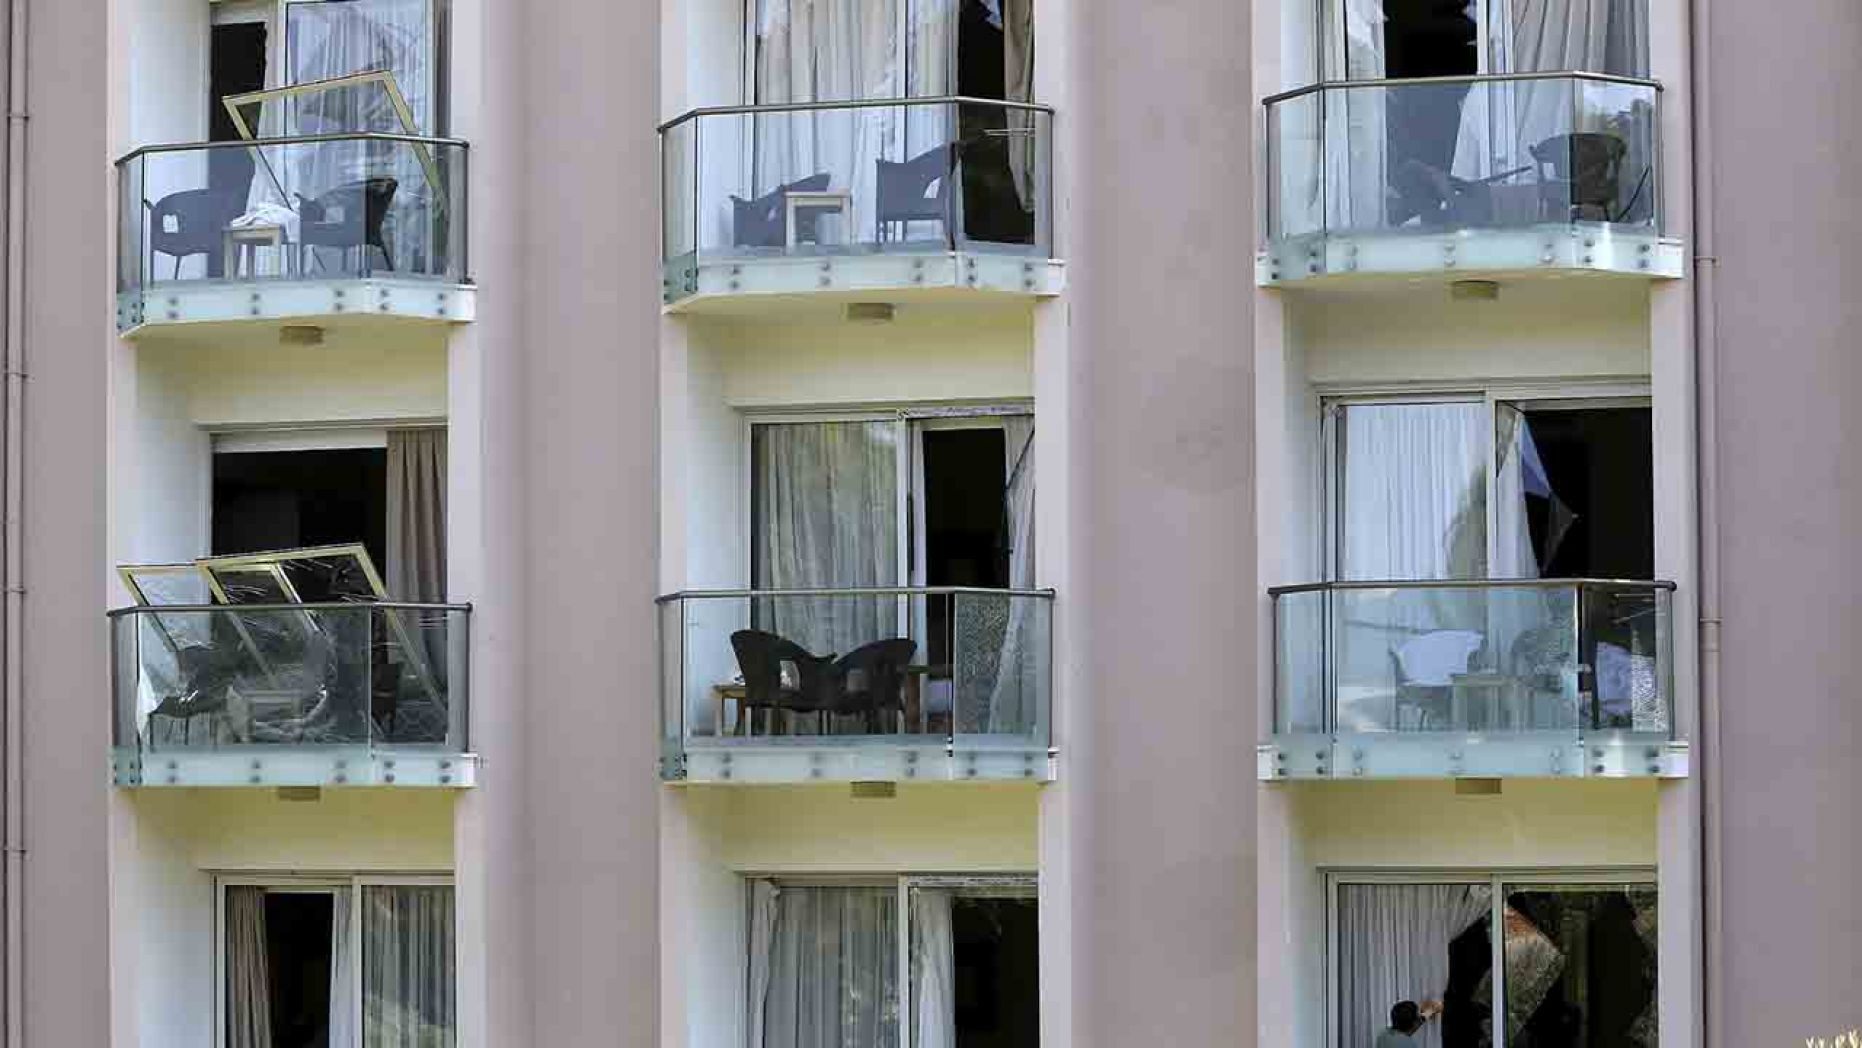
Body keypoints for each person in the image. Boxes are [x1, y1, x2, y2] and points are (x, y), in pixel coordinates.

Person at [1376, 999, 1442, 1046]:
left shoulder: (1383, 1036)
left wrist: (1427, 1014)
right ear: (1414, 1023)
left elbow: (1411, 1027)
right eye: (1418, 1015)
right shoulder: (1409, 1045)